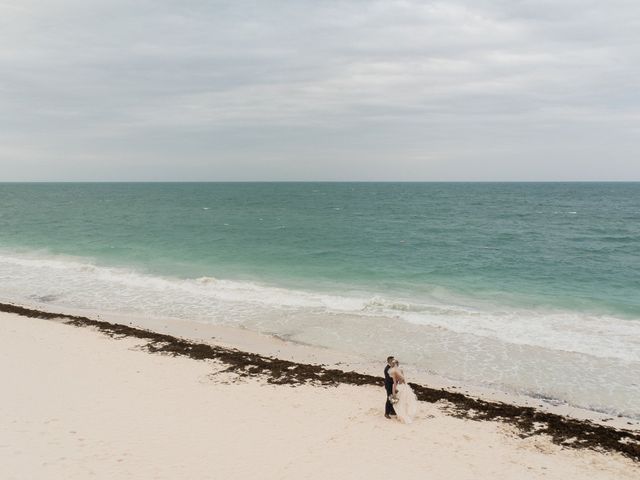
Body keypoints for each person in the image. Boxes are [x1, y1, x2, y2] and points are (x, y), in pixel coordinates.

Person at [389, 359, 418, 424]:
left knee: (398, 403)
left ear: (393, 365)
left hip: (398, 387)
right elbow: (404, 380)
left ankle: (401, 416)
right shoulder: (401, 370)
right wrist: (406, 387)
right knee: (404, 402)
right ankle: (407, 414)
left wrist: (393, 393)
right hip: (404, 386)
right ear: (398, 364)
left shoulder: (393, 372)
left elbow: (395, 383)